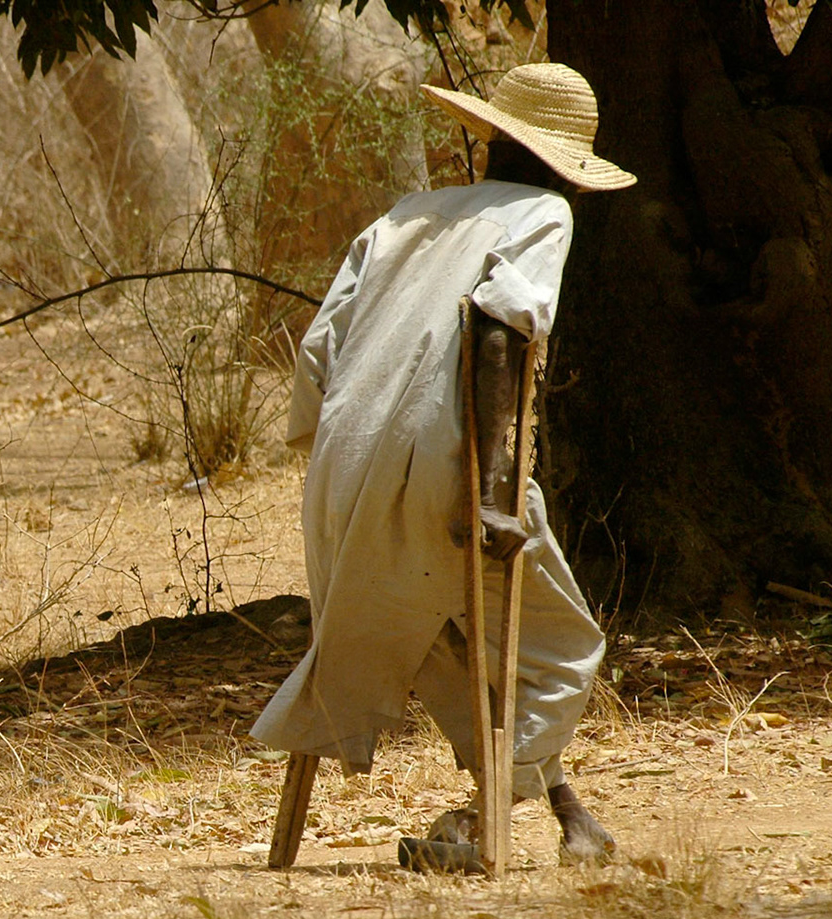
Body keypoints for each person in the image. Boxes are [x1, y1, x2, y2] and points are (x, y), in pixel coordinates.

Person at [250, 63, 635, 866]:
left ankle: (556, 817)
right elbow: (500, 331)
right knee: (565, 648)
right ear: (568, 167)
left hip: (341, 465)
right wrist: (490, 492)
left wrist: (352, 458)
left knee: (451, 640)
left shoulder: (404, 216)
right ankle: (485, 822)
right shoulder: (544, 212)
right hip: (448, 464)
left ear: (494, 136)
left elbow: (318, 353)